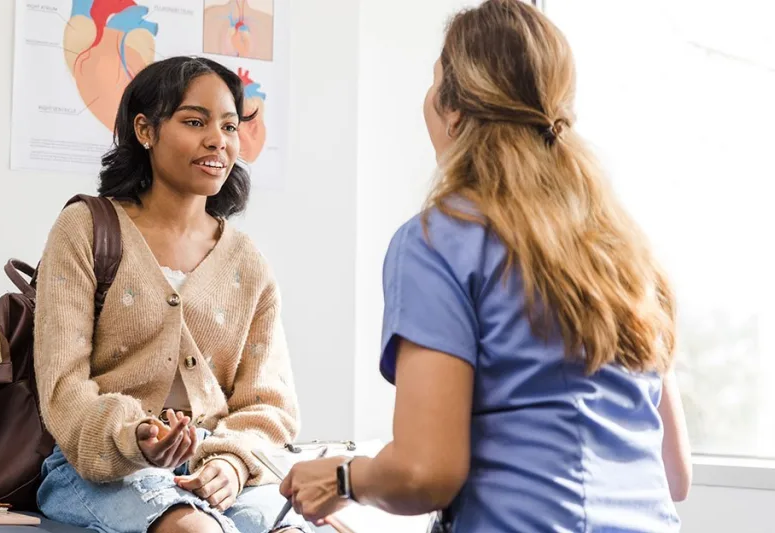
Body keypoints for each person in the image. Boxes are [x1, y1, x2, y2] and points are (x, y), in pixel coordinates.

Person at [280, 1, 692, 531]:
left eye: (434, 85)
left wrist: (343, 477)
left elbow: (426, 471)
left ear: (453, 109)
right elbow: (674, 475)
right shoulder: (626, 249)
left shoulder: (438, 240)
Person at [32, 56, 308, 533]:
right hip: (101, 468)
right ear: (145, 130)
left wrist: (233, 463)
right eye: (194, 121)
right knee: (194, 530)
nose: (217, 140)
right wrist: (134, 438)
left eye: (229, 126)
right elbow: (63, 387)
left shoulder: (248, 262)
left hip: (217, 464)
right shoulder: (85, 229)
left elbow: (270, 405)